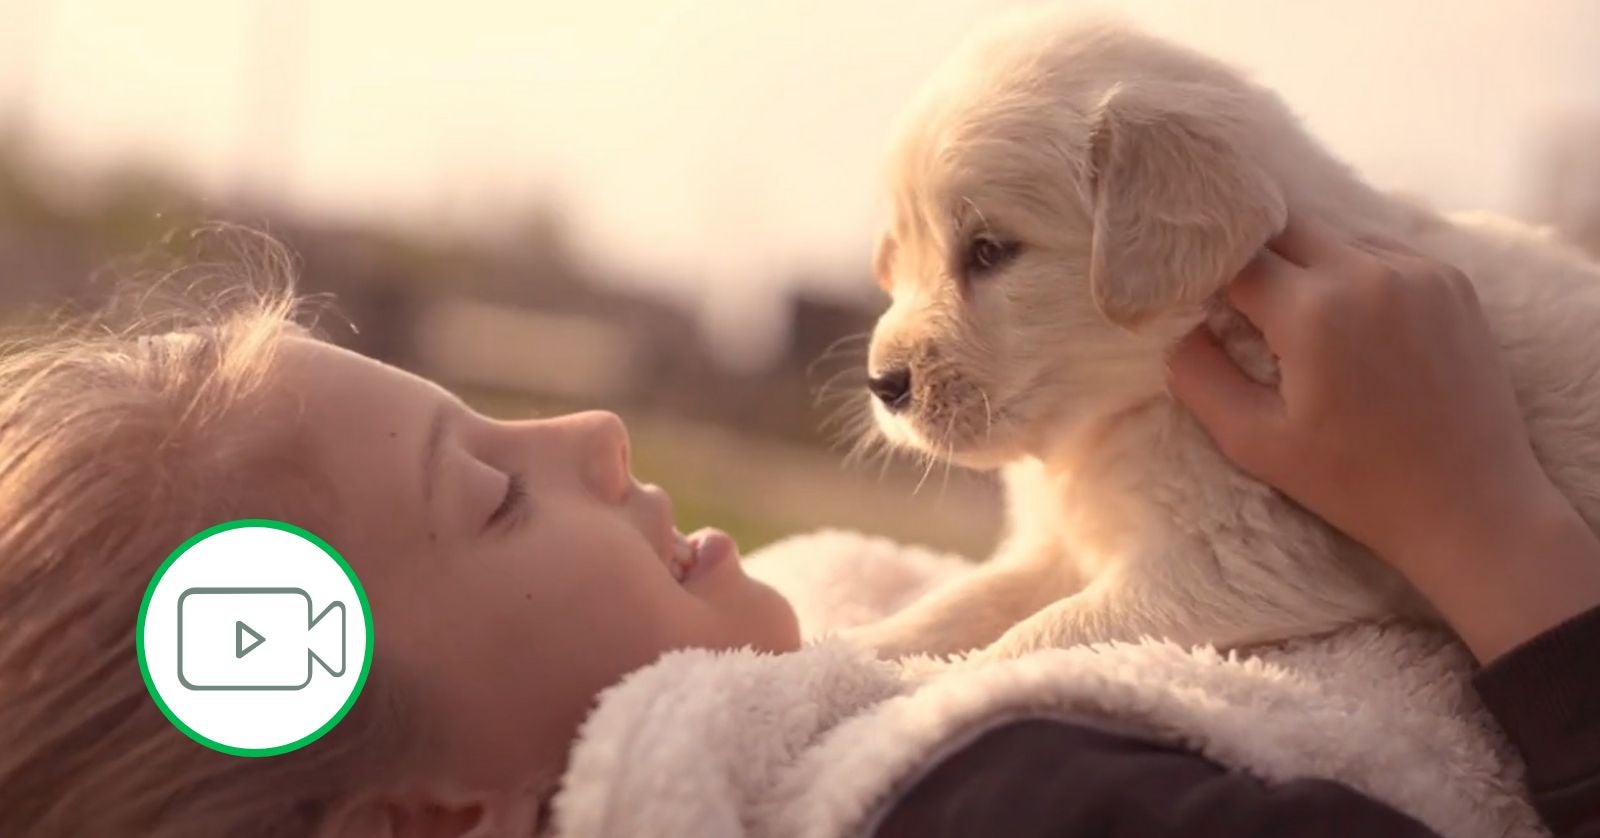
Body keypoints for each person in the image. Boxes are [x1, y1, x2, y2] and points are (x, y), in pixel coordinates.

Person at [0, 219, 1594, 837]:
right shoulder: (976, 807)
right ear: (427, 818)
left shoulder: (821, 665)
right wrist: (1491, 531)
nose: (588, 428)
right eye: (489, 491)